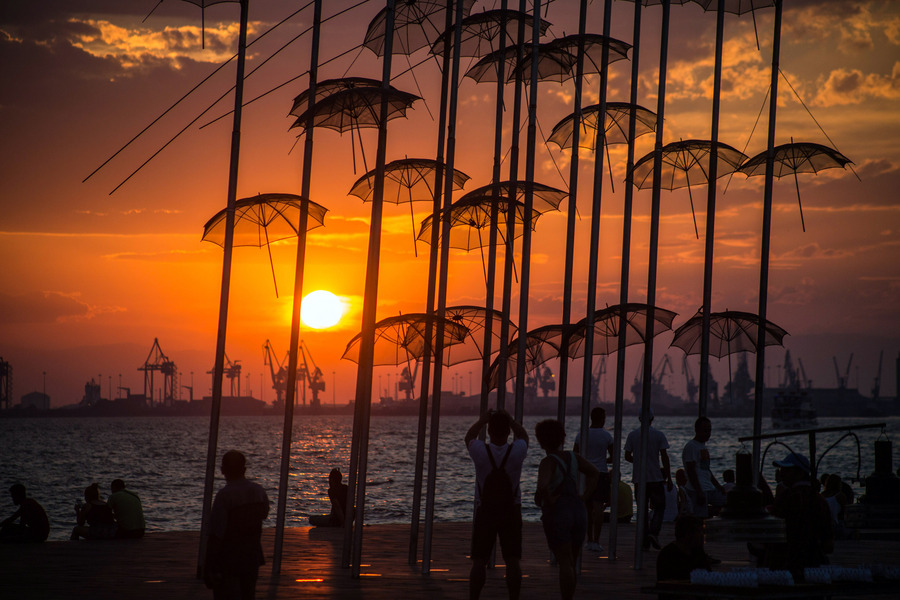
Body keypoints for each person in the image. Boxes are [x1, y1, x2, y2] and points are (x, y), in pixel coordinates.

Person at [465, 409, 529, 600]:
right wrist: (511, 420)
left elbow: (468, 437)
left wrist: (481, 421)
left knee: (479, 561)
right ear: (508, 432)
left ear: (489, 431)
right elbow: (524, 436)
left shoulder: (480, 451)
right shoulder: (517, 450)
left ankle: (474, 597)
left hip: (486, 511)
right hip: (511, 510)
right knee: (512, 561)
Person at [535, 419, 600, 600]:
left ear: (541, 440)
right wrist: (585, 496)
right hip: (579, 511)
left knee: (564, 561)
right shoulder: (574, 457)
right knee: (572, 559)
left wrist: (549, 499)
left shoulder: (548, 462)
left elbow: (542, 486)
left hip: (558, 513)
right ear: (562, 438)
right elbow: (594, 472)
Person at [204, 450, 270, 600]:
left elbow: (216, 534)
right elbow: (264, 515)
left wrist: (208, 566)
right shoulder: (258, 492)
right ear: (244, 469)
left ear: (223, 470)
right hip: (251, 556)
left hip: (228, 560)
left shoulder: (224, 496)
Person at [762, 452, 834, 576]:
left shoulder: (789, 496)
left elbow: (775, 529)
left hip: (787, 562)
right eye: (781, 469)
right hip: (815, 562)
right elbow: (828, 536)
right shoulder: (819, 499)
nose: (781, 473)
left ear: (799, 473)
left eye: (786, 470)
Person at [624, 409, 672, 550]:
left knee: (642, 510)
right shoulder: (659, 435)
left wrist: (638, 462)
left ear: (639, 419)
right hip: (655, 478)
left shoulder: (632, 435)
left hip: (639, 479)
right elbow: (664, 457)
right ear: (653, 419)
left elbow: (627, 456)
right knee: (660, 507)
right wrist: (669, 477)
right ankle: (654, 532)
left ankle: (644, 541)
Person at [573, 407, 613, 552]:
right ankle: (596, 540)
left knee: (587, 508)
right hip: (601, 473)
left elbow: (574, 455)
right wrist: (602, 460)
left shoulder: (581, 435)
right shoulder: (607, 436)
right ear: (602, 418)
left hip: (585, 474)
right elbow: (613, 457)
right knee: (598, 507)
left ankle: (589, 539)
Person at [682, 417, 727, 518]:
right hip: (698, 489)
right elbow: (691, 470)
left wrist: (718, 486)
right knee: (700, 517)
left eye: (709, 430)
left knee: (727, 501)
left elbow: (706, 469)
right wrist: (699, 491)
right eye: (705, 430)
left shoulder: (703, 446)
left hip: (709, 488)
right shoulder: (691, 446)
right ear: (697, 430)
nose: (708, 433)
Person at [656, 515, 714, 581]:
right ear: (688, 534)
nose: (702, 536)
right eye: (699, 532)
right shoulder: (669, 556)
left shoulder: (697, 552)